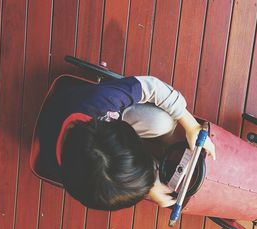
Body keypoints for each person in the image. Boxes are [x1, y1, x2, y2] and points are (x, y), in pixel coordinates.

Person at [37, 75, 215, 210]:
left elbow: (152, 86)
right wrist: (147, 187)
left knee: (163, 121)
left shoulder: (101, 101)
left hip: (77, 104)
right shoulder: (68, 173)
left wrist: (190, 125)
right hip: (73, 125)